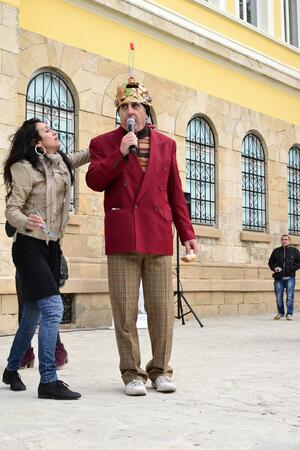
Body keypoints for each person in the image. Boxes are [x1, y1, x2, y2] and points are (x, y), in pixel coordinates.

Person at [86, 77, 198, 396]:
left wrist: (187, 233)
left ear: (147, 111)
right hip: (123, 237)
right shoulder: (103, 143)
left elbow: (176, 193)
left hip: (159, 235)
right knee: (124, 311)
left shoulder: (167, 144)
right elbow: (94, 180)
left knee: (161, 309)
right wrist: (120, 154)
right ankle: (131, 373)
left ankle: (161, 369)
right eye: (124, 107)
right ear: (118, 113)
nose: (129, 111)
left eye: (135, 105)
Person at [2, 118, 89, 399]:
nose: (54, 132)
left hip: (52, 249)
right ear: (36, 142)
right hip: (28, 247)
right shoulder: (24, 168)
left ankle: (11, 369)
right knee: (53, 309)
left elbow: (89, 153)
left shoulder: (61, 160)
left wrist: (119, 136)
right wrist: (27, 220)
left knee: (31, 317)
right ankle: (48, 380)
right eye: (47, 130)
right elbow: (11, 209)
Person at [268, 234, 300, 321]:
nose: (284, 241)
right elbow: (270, 263)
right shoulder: (276, 251)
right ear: (280, 241)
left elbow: (298, 263)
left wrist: (291, 269)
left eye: (286, 239)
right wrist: (275, 268)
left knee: (290, 296)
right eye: (282, 239)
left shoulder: (295, 251)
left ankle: (289, 314)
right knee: (278, 296)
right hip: (278, 278)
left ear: (289, 241)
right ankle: (280, 313)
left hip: (290, 277)